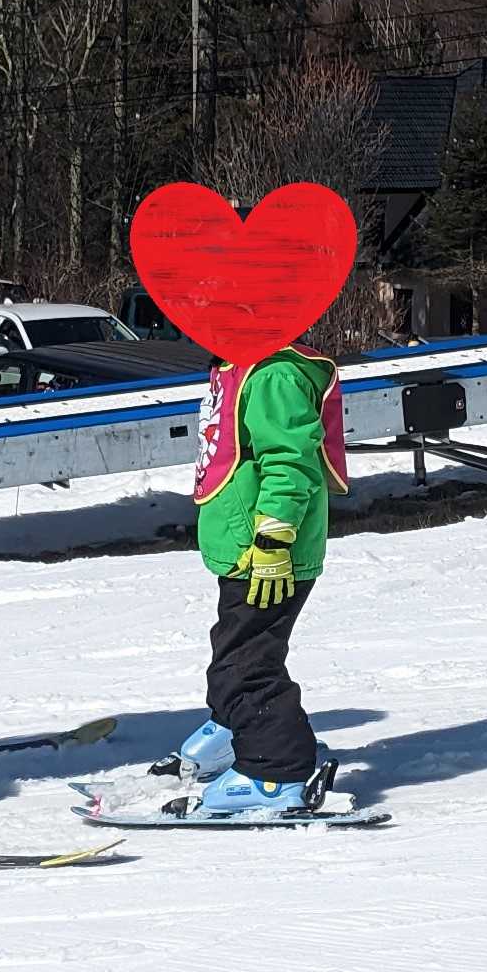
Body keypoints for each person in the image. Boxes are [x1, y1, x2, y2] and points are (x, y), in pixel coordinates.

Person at [162, 341, 350, 813]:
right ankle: (234, 728)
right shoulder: (235, 363)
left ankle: (276, 771)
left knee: (246, 668)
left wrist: (273, 541)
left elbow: (290, 462)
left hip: (268, 556)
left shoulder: (272, 376)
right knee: (232, 646)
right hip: (243, 551)